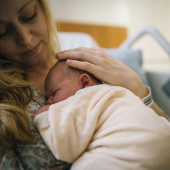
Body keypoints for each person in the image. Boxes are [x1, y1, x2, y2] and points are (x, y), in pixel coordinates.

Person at [0, 0, 167, 169]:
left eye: (29, 16)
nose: (25, 39)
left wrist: (138, 89)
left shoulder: (86, 67)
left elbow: (158, 133)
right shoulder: (5, 101)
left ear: (43, 9)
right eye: (3, 31)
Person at [33, 60, 170, 170]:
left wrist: (43, 118)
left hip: (131, 153)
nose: (49, 101)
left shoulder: (81, 98)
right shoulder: (118, 91)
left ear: (84, 83)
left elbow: (65, 147)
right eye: (47, 98)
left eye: (54, 92)